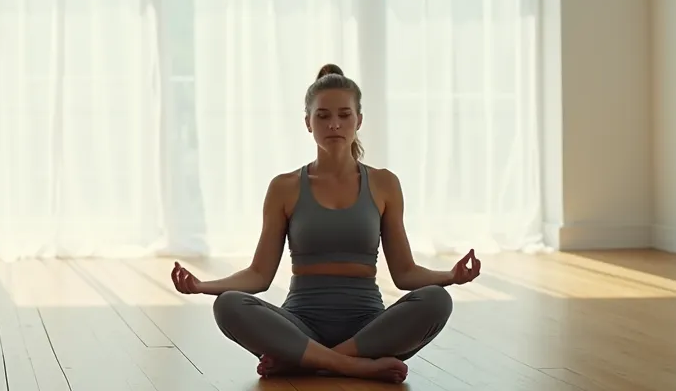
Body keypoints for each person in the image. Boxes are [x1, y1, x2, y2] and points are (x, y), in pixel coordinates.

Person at [169, 64, 480, 384]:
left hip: (367, 327)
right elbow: (259, 275)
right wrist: (201, 287)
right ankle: (353, 365)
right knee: (229, 306)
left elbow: (404, 273)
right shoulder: (284, 187)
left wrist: (451, 276)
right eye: (322, 116)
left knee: (437, 300)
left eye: (345, 115)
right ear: (308, 122)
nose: (334, 124)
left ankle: (309, 360)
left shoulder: (384, 183)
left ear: (359, 120)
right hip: (300, 323)